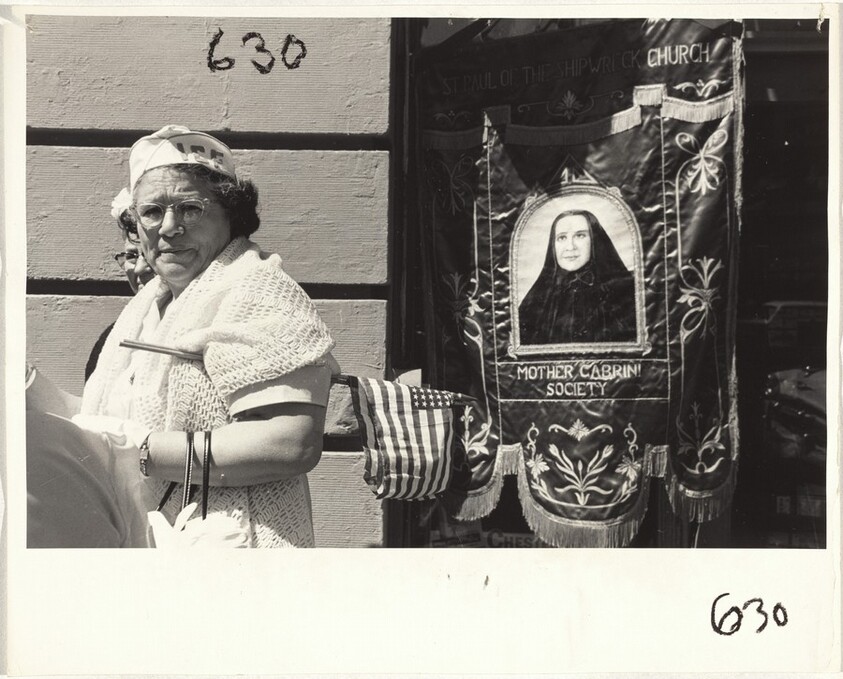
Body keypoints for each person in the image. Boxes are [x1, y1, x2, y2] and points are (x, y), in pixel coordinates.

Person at [29, 124, 338, 547]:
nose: (169, 227)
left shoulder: (256, 287)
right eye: (152, 212)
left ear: (233, 215)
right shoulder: (146, 306)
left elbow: (290, 442)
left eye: (190, 208)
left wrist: (139, 451)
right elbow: (117, 424)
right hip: (156, 545)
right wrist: (26, 384)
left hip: (235, 554)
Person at [518, 209, 636, 345]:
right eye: (562, 238)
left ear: (595, 240)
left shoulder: (625, 293)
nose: (570, 247)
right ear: (553, 245)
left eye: (580, 236)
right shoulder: (536, 299)